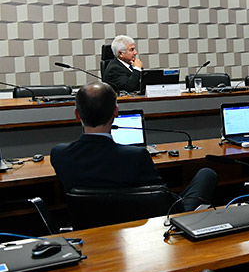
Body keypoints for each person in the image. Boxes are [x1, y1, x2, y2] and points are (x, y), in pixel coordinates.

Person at [50, 82, 217, 212]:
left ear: (77, 114)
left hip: (89, 223)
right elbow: (162, 197)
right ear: (116, 112)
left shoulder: (59, 154)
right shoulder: (135, 155)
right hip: (143, 225)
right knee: (206, 173)